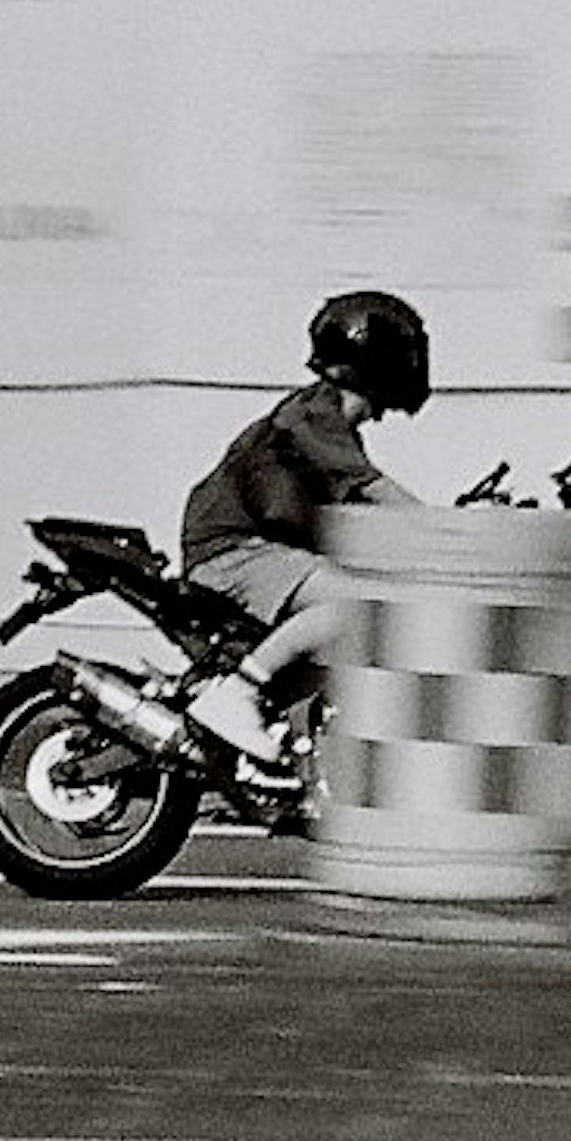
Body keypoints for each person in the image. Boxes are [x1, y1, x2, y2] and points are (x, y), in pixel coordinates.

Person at [174, 289, 431, 777]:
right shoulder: (314, 415)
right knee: (362, 605)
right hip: (233, 552)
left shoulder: (330, 422)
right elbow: (374, 492)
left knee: (362, 616)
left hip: (257, 552)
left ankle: (273, 730)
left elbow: (352, 509)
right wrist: (448, 534)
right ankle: (238, 693)